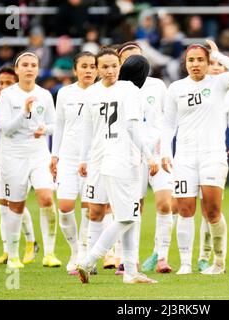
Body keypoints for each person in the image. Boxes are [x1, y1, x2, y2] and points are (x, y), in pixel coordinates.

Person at [161, 40, 229, 275]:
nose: (195, 64)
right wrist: (166, 152)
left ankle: (219, 262)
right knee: (185, 209)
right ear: (185, 63)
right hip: (185, 157)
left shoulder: (219, 83)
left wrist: (218, 54)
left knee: (212, 211)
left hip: (213, 155)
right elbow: (168, 126)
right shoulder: (175, 88)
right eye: (191, 60)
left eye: (201, 59)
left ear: (209, 63)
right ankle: (186, 264)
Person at [77, 48, 158, 284]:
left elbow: (88, 131)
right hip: (123, 160)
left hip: (106, 161)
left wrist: (84, 159)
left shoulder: (91, 93)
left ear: (119, 67)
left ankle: (131, 271)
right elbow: (132, 128)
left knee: (130, 216)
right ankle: (88, 260)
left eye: (114, 66)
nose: (110, 70)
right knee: (127, 217)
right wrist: (150, 156)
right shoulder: (129, 90)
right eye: (105, 66)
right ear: (97, 68)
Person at [0, 52, 61, 269]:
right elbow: (5, 128)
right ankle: (14, 256)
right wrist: (24, 112)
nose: (29, 68)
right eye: (24, 65)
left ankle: (50, 254)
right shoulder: (7, 95)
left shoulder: (44, 94)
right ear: (17, 70)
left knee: (46, 198)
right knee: (16, 205)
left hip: (38, 152)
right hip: (14, 154)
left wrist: (45, 129)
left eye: (33, 65)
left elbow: (55, 124)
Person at [117, 42, 175, 274]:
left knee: (164, 203)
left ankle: (161, 256)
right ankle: (128, 258)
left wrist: (164, 141)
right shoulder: (118, 89)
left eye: (138, 57)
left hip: (158, 153)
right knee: (134, 207)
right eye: (128, 58)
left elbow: (169, 118)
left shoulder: (157, 86)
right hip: (131, 154)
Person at [50, 52, 97, 275]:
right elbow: (59, 125)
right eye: (84, 66)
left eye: (92, 66)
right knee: (65, 207)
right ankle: (75, 250)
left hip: (94, 158)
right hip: (68, 158)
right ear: (75, 70)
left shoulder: (102, 94)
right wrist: (54, 155)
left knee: (89, 208)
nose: (88, 70)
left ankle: (86, 255)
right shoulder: (64, 93)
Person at [197, 57, 229, 272]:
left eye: (220, 66)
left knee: (211, 208)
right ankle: (202, 255)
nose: (216, 68)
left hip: (214, 156)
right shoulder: (194, 89)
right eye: (213, 64)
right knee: (202, 208)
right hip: (191, 157)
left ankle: (215, 258)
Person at [0, 66, 39, 267]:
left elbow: (7, 128)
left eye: (9, 83)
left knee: (16, 205)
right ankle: (8, 251)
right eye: (1, 83)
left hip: (21, 161)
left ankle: (30, 242)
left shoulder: (24, 104)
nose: (4, 87)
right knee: (3, 207)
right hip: (3, 162)